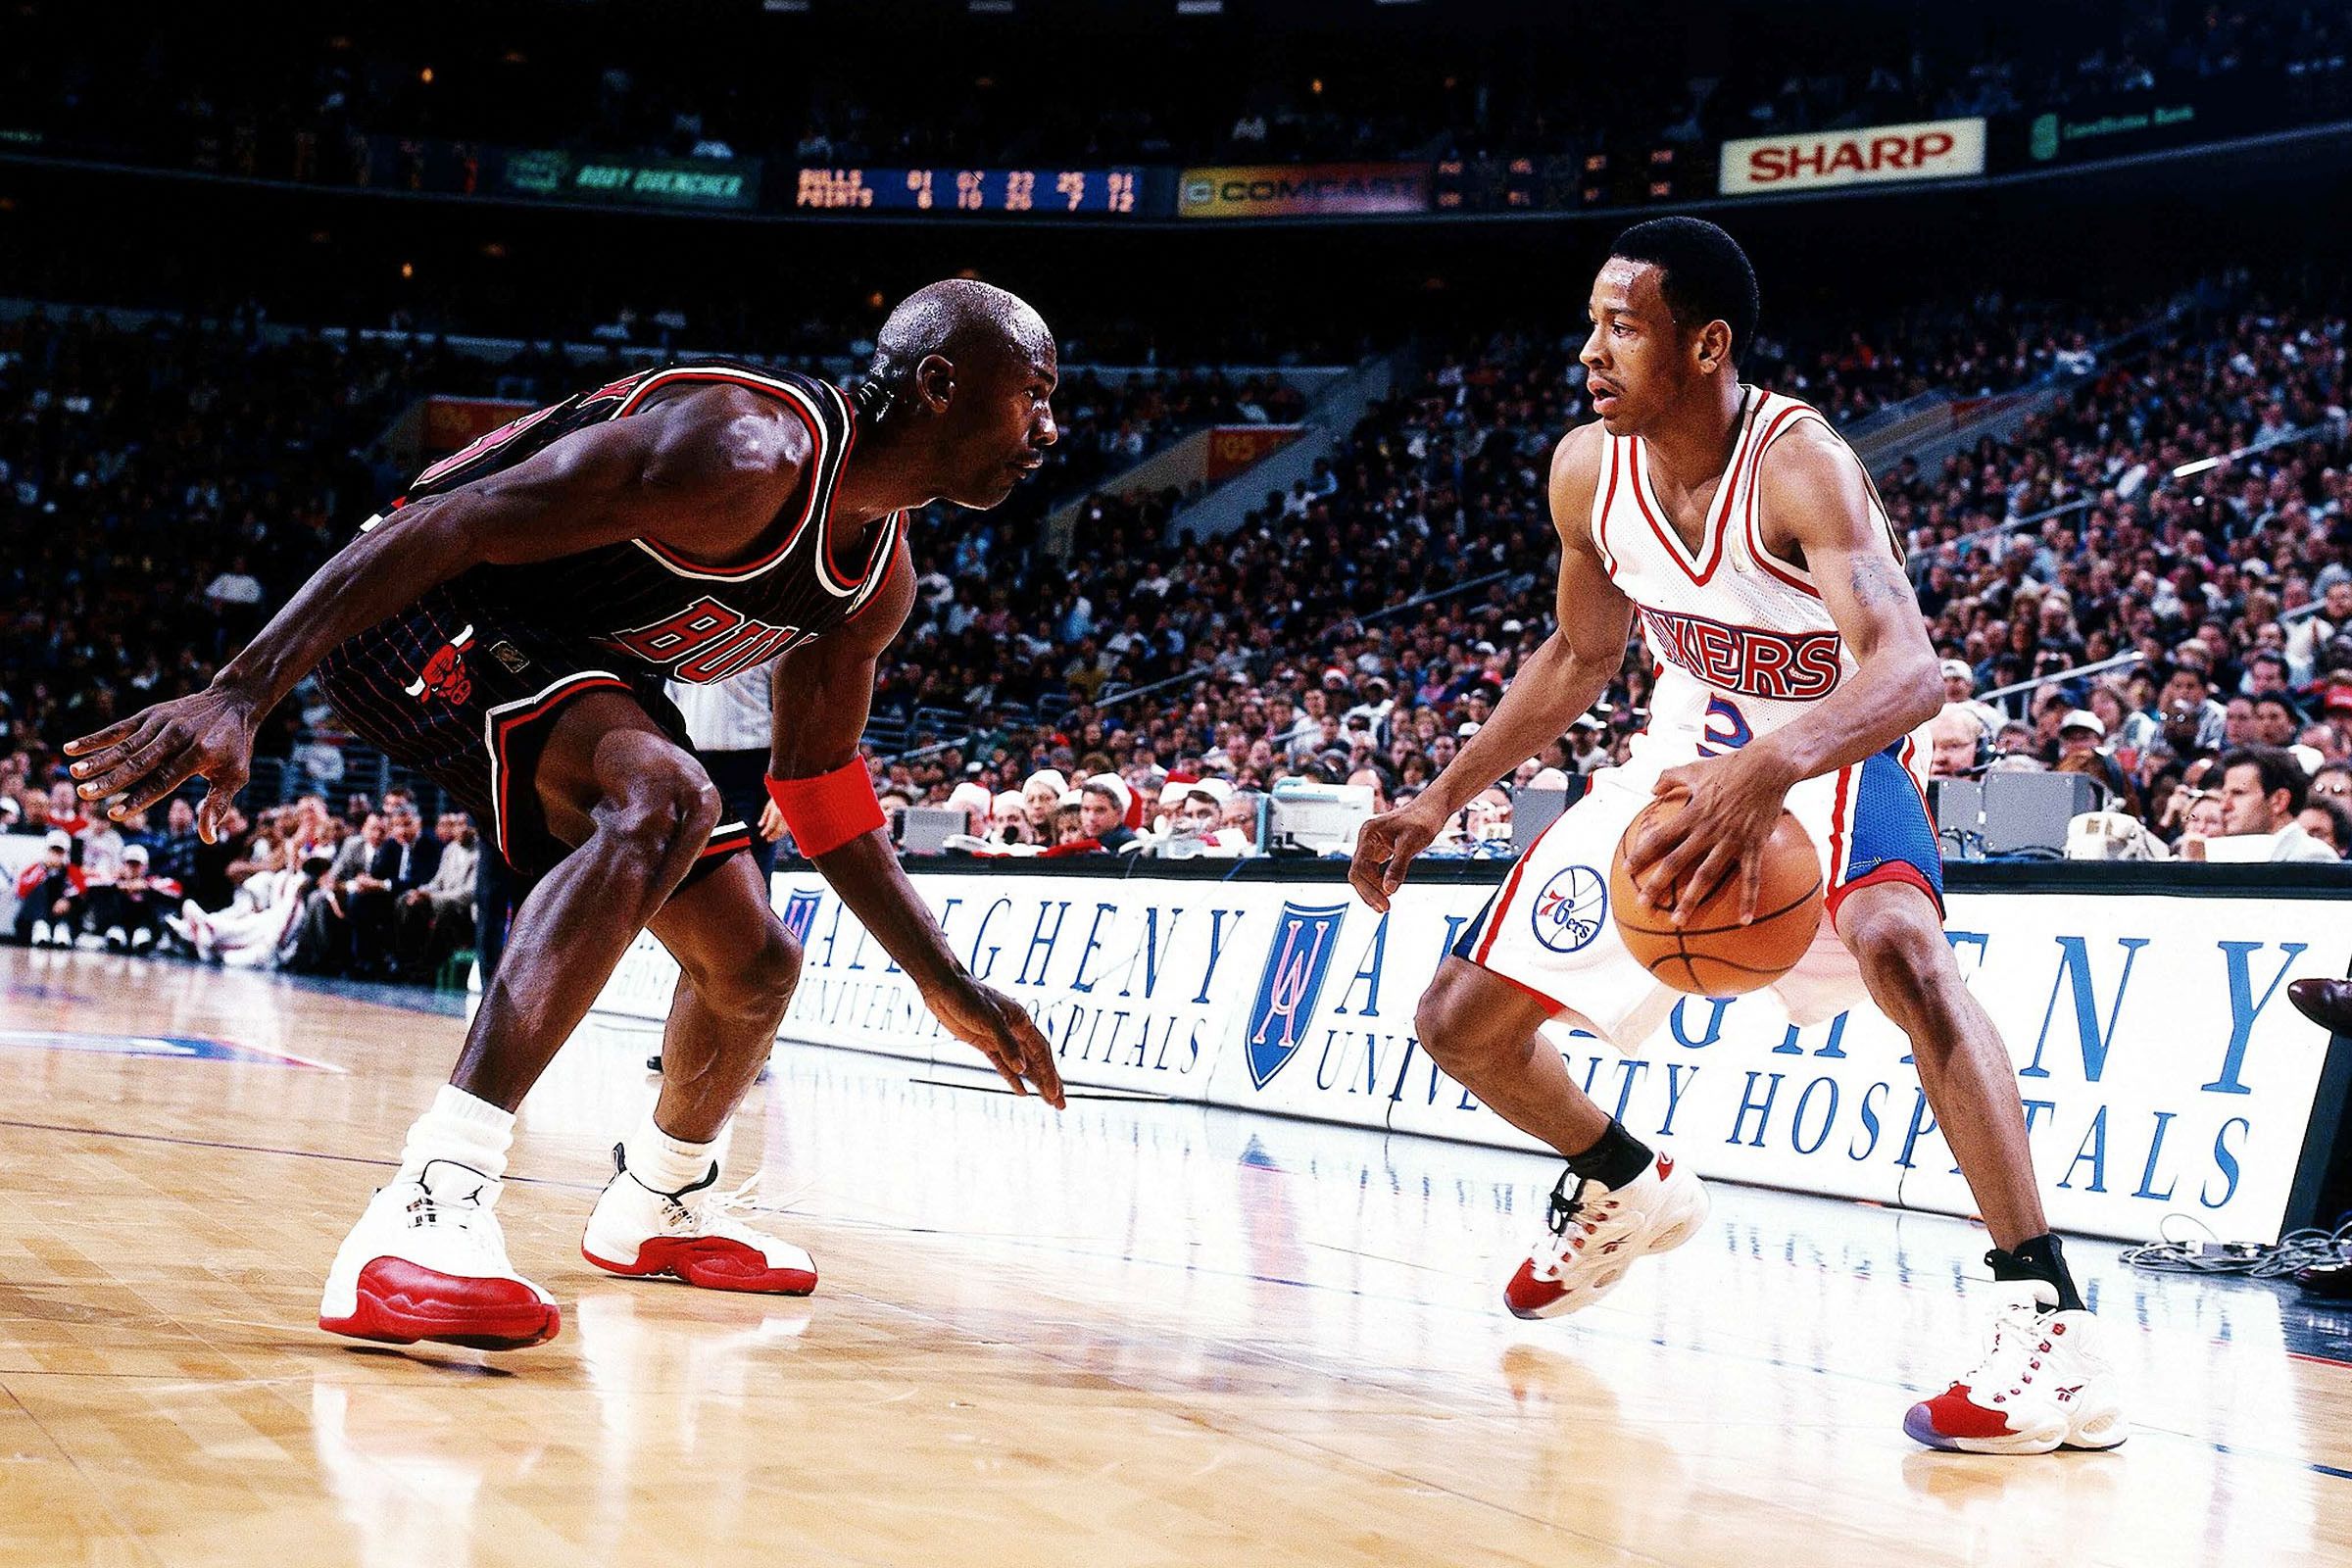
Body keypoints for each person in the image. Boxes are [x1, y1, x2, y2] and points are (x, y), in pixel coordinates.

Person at [68, 279, 1067, 1353]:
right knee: (668, 795)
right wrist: (244, 688)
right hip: (414, 598)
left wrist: (944, 979)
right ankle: (424, 1207)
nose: (1050, 430)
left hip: (567, 657)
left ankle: (660, 1198)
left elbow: (818, 787)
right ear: (938, 384)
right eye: (1036, 396)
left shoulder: (875, 579)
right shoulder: (745, 448)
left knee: (756, 968)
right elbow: (450, 522)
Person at [1348, 219, 2122, 1455]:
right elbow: (1581, 653)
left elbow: (1912, 669)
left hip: (1831, 746)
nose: (1589, 350)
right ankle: (1624, 1177)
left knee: (1902, 953)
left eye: (1622, 327)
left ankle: (2051, 1322)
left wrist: (1771, 767)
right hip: (1682, 757)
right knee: (1459, 1023)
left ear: (1706, 344)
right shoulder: (1587, 471)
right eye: (1592, 322)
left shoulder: (1797, 461)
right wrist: (1438, 797)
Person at [666, 662, 786, 884]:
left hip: (751, 771)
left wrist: (783, 793)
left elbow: (791, 714)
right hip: (690, 764)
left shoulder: (771, 643)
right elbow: (666, 712)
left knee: (752, 880)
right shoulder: (675, 647)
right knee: (690, 879)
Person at [2178, 746, 2340, 863]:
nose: (2224, 806)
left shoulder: (2312, 856)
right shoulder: (2229, 852)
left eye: (2238, 793)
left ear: (2279, 801)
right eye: (2225, 794)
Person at [13, 830, 85, 948]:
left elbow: (81, 889)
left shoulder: (73, 871)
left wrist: (67, 900)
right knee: (39, 889)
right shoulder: (35, 869)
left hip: (60, 914)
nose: (56, 855)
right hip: (36, 915)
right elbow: (21, 891)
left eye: (60, 852)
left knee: (74, 900)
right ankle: (40, 926)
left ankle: (63, 929)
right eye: (53, 851)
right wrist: (43, 870)